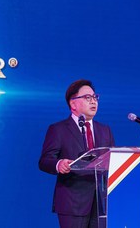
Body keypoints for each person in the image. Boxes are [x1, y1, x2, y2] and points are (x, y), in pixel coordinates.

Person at [39, 79, 115, 228]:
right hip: (72, 203)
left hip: (102, 203)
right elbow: (44, 161)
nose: (93, 101)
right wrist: (59, 164)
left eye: (95, 97)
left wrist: (134, 165)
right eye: (88, 98)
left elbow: (112, 160)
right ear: (73, 104)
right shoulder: (58, 129)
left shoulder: (105, 130)